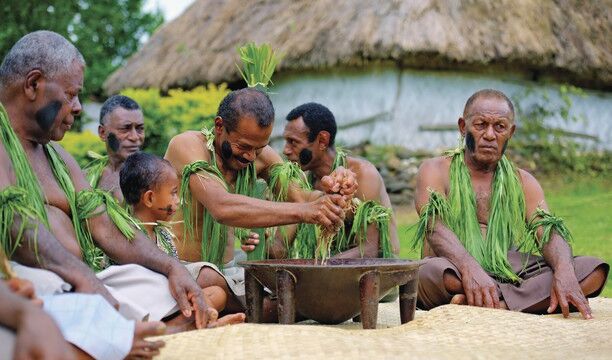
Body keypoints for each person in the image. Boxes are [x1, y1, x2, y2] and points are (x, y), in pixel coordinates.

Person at [0, 30, 212, 329]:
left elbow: (104, 227)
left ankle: (155, 327)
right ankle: (150, 332)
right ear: (33, 84)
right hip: (25, 282)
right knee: (51, 288)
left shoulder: (58, 157)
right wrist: (82, 277)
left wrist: (171, 266)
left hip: (80, 277)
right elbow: (16, 226)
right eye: (71, 94)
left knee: (163, 282)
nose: (77, 107)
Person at [410, 89, 609, 318]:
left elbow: (548, 232)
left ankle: (494, 302)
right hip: (453, 268)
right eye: (481, 124)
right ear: (463, 127)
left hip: (506, 268)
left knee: (592, 270)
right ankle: (519, 299)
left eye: (500, 127)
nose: (490, 135)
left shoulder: (522, 181)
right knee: (427, 272)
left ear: (511, 132)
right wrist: (469, 268)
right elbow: (435, 228)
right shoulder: (435, 170)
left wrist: (564, 271)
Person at [164, 88, 357, 314]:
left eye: (259, 148)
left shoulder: (260, 156)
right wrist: (307, 211)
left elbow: (300, 197)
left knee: (297, 295)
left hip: (227, 269)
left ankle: (237, 307)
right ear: (219, 127)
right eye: (243, 146)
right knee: (219, 284)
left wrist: (333, 194)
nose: (250, 156)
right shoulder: (187, 146)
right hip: (183, 267)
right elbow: (221, 206)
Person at [120, 151, 246, 326]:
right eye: (173, 193)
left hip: (171, 299)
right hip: (143, 303)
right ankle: (195, 323)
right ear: (149, 198)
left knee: (217, 293)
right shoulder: (126, 234)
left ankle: (198, 319)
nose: (178, 201)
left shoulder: (163, 234)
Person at [280, 102, 400, 259]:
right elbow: (281, 246)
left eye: (293, 142)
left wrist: (317, 269)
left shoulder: (362, 174)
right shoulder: (303, 182)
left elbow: (370, 250)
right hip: (331, 269)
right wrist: (259, 237)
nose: (285, 150)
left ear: (322, 140)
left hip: (376, 272)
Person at [85, 95, 145, 203]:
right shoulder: (86, 178)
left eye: (140, 129)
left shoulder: (153, 178)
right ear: (103, 133)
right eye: (125, 129)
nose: (135, 137)